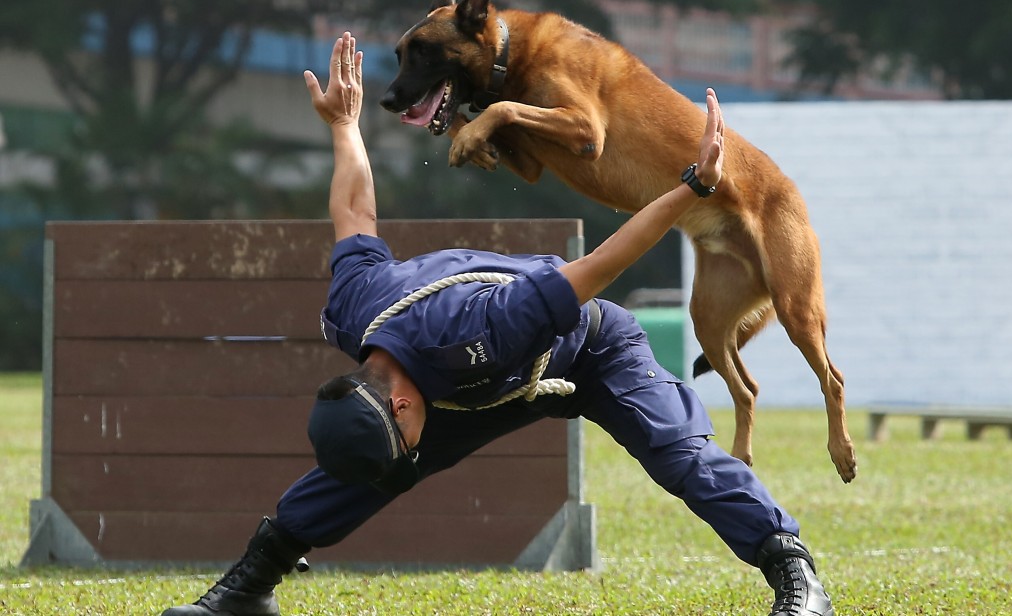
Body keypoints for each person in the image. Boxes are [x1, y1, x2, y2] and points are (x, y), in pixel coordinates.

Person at [160, 33, 834, 616]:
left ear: (398, 401)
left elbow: (599, 265)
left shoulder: (479, 326)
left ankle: (795, 573)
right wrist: (343, 125)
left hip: (587, 350)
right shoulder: (355, 308)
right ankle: (249, 587)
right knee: (362, 465)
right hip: (463, 384)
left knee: (679, 455)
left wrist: (689, 188)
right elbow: (356, 217)